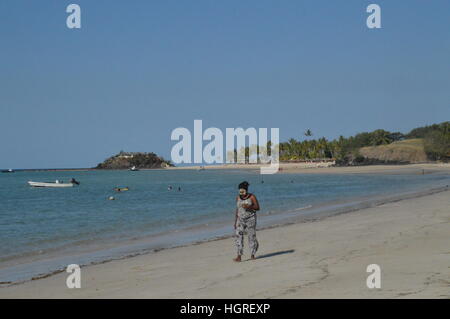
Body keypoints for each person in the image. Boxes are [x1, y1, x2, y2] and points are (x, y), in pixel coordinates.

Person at [233, 181, 260, 262]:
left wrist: (249, 207)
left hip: (250, 219)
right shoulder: (237, 197)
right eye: (240, 191)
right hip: (240, 220)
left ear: (246, 190)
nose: (242, 193)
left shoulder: (252, 197)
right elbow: (237, 209)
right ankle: (239, 256)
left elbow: (258, 208)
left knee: (251, 236)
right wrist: (235, 222)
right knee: (238, 237)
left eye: (243, 191)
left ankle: (252, 254)